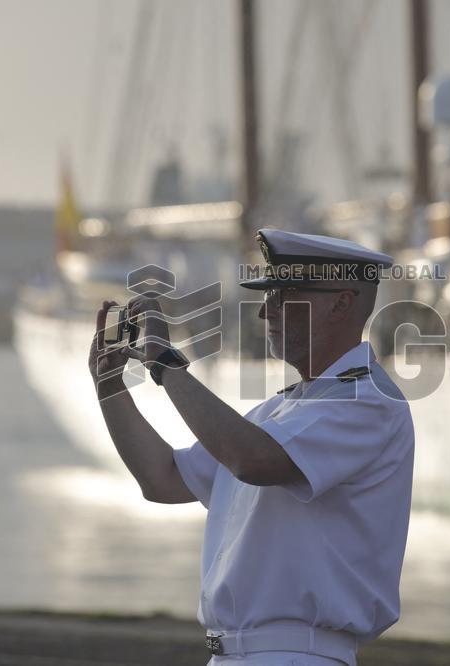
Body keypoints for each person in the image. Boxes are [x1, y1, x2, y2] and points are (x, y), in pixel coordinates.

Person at [88, 228, 415, 665]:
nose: (266, 312)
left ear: (340, 302)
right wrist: (109, 386)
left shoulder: (370, 401)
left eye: (282, 296)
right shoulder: (276, 413)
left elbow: (252, 460)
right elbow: (162, 479)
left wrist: (166, 363)